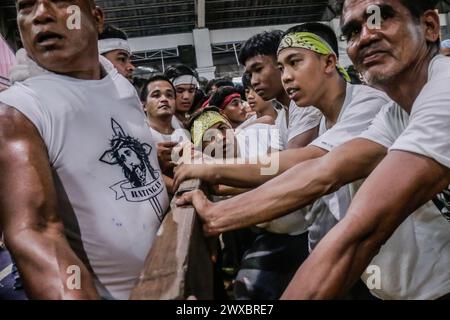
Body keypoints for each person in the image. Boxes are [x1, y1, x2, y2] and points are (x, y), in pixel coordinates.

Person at [176, 12, 450, 300]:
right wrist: (220, 205)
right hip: (387, 275)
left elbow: (313, 169)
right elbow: (319, 170)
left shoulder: (369, 103)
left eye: (294, 63)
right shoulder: (380, 114)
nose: (286, 76)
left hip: (427, 280)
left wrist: (215, 170)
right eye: (282, 67)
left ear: (330, 62)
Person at [0, 0, 169, 299]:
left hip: (171, 274)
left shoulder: (122, 87)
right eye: (26, 6)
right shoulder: (20, 111)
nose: (40, 14)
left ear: (97, 18)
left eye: (60, 1)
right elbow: (34, 231)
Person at [237, 30, 322, 150]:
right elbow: (274, 160)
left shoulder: (305, 105)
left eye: (258, 69)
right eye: (250, 75)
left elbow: (291, 159)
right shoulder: (282, 115)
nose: (254, 81)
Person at [164, 64, 200, 129]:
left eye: (191, 90)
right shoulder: (163, 126)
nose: (186, 96)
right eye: (179, 91)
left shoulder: (196, 122)